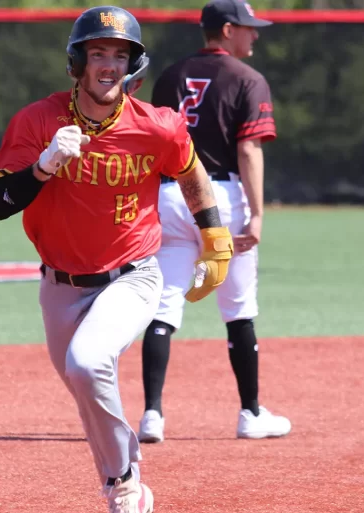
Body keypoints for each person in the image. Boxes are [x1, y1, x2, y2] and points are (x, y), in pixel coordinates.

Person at [0, 6, 234, 513]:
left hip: (134, 274)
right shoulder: (38, 122)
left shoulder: (156, 124)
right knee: (84, 386)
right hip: (60, 285)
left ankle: (124, 490)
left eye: (119, 56)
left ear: (134, 66)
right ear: (78, 62)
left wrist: (214, 236)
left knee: (88, 361)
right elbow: (0, 205)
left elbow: (190, 168)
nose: (108, 65)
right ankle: (127, 498)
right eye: (98, 53)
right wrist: (43, 167)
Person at [137, 0, 291, 444]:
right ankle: (250, 413)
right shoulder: (249, 80)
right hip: (220, 197)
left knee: (164, 306)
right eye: (248, 27)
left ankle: (151, 416)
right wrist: (258, 215)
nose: (255, 35)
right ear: (226, 31)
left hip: (170, 193)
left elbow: (154, 141)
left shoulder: (170, 75)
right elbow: (248, 151)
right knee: (239, 310)